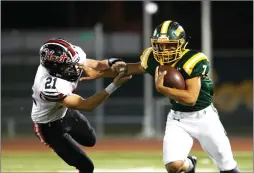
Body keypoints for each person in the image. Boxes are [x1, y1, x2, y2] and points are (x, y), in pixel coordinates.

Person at [78, 20, 241, 173]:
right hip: (178, 119)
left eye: (169, 46)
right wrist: (98, 74)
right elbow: (129, 69)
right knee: (173, 166)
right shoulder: (152, 58)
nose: (164, 51)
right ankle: (190, 165)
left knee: (228, 167)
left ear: (181, 44)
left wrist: (162, 88)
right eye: (160, 46)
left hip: (204, 118)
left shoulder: (193, 60)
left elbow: (191, 98)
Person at [31, 38, 131, 173]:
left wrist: (115, 62)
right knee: (86, 167)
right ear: (54, 68)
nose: (74, 68)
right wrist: (114, 85)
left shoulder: (71, 56)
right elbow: (87, 105)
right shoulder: (47, 85)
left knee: (90, 140)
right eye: (68, 66)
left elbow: (96, 64)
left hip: (65, 112)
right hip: (48, 125)